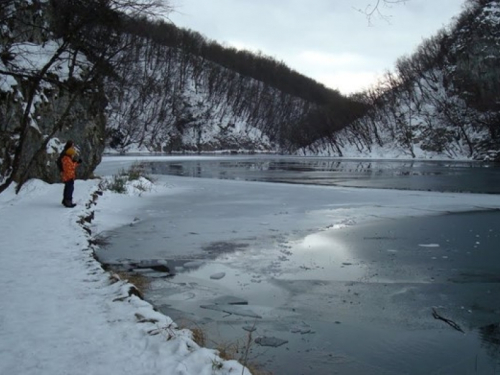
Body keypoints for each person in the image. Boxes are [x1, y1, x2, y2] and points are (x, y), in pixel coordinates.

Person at [60, 140, 82, 208]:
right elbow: (71, 166)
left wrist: (75, 162)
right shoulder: (66, 157)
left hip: (67, 175)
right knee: (70, 189)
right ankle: (68, 202)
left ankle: (65, 201)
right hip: (69, 176)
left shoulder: (65, 156)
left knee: (67, 188)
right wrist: (76, 163)